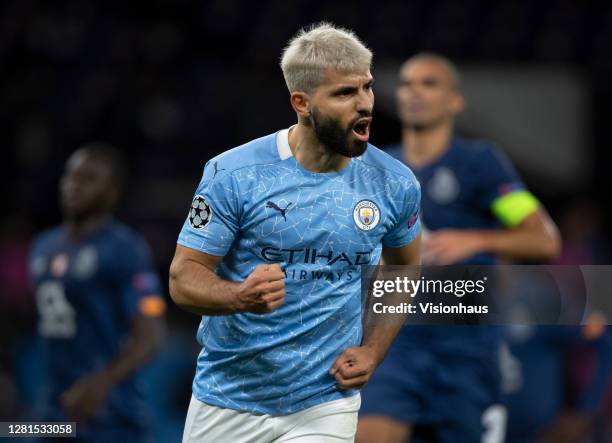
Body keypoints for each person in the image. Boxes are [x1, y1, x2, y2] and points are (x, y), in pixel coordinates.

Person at [169, 23, 422, 443]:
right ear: (301, 103)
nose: (364, 104)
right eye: (344, 93)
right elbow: (183, 278)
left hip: (324, 402)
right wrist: (238, 297)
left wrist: (373, 350)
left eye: (367, 88)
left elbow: (405, 267)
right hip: (227, 396)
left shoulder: (394, 183)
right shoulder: (233, 174)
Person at [357, 53, 561, 443]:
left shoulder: (480, 165)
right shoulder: (377, 170)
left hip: (465, 351)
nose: (414, 92)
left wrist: (475, 239)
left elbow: (544, 239)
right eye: (405, 83)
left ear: (455, 100)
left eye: (429, 83)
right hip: (395, 345)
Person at [29, 144, 166, 442]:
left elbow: (152, 336)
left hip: (111, 416)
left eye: (89, 178)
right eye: (71, 176)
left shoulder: (126, 249)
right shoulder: (42, 247)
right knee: (11, 430)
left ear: (112, 192)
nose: (74, 185)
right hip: (53, 413)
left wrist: (102, 383)